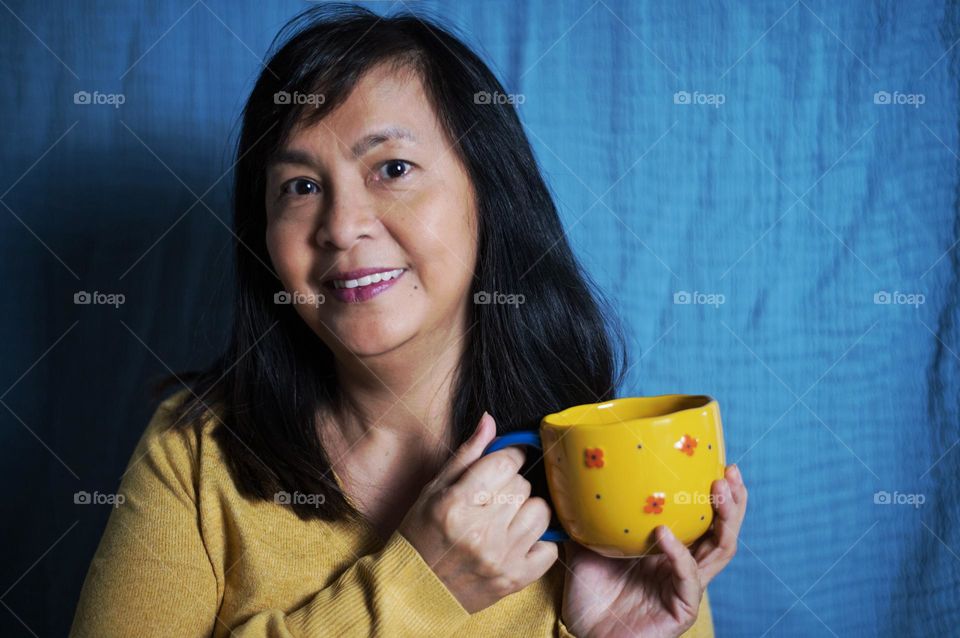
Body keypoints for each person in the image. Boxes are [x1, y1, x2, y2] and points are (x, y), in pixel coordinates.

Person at [71, 4, 747, 636]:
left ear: (490, 196)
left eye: (392, 168)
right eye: (300, 187)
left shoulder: (611, 474)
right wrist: (419, 589)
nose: (340, 227)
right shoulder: (195, 453)